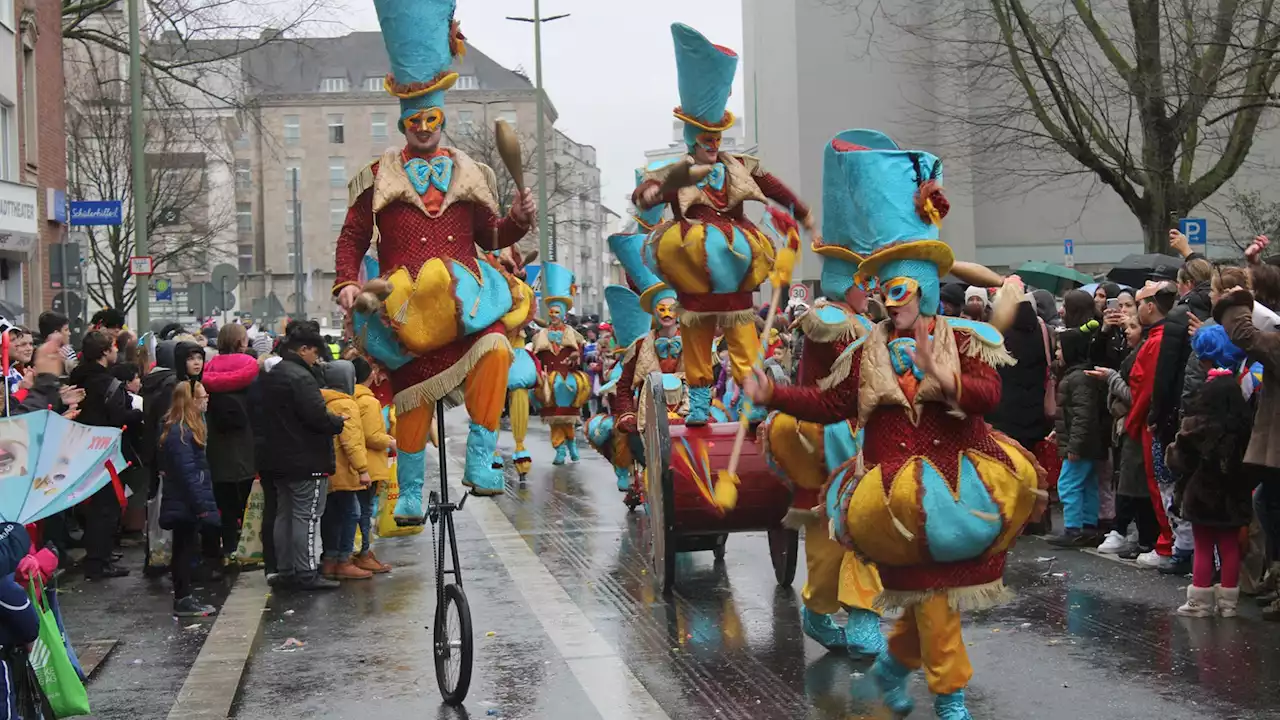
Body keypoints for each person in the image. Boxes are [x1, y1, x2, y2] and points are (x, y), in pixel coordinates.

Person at [744, 131, 1039, 720]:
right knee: (927, 601)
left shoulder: (962, 340)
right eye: (879, 289)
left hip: (958, 495)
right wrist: (773, 392)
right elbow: (830, 405)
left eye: (896, 288)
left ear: (923, 288)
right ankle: (924, 685)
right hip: (891, 502)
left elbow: (988, 395)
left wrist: (944, 378)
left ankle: (922, 683)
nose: (885, 298)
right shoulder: (866, 349)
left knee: (931, 605)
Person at [335, 0, 534, 511]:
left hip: (465, 295)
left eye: (432, 118)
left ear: (442, 118)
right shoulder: (377, 176)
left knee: (494, 349)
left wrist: (518, 220)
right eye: (415, 120)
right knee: (411, 388)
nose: (424, 127)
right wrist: (348, 283)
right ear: (403, 122)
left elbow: (490, 235)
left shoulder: (472, 174)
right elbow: (353, 235)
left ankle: (482, 458)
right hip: (407, 304)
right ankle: (409, 493)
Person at [633, 23, 816, 425]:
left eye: (718, 140)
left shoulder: (740, 167)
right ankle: (698, 402)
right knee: (695, 336)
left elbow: (773, 187)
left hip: (733, 264)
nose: (714, 147)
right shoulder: (676, 171)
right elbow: (651, 190)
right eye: (706, 141)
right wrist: (647, 195)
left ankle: (750, 400)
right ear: (692, 140)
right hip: (694, 268)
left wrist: (801, 212)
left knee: (742, 337)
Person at [759, 134, 886, 657]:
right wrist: (799, 306)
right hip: (826, 434)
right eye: (866, 280)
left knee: (866, 523)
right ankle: (829, 609)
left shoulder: (863, 318)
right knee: (840, 527)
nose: (872, 288)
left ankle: (855, 612)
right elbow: (816, 324)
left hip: (854, 433)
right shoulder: (835, 316)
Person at [1166, 327, 1255, 618]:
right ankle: (1228, 603)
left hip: (1201, 495)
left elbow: (1179, 461)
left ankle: (1199, 601)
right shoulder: (1244, 428)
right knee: (1229, 547)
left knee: (1204, 547)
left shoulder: (1196, 426)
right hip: (1234, 495)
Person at [260, 325, 345, 590]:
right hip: (306, 458)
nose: (316, 358)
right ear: (303, 349)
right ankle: (306, 571)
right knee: (306, 517)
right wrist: (337, 422)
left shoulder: (273, 374)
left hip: (277, 457)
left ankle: (285, 570)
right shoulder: (302, 377)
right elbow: (316, 417)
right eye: (314, 352)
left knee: (284, 515)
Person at [70, 331, 143, 580]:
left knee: (95, 506)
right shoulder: (107, 383)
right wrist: (137, 413)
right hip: (105, 450)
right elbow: (118, 417)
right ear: (104, 352)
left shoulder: (77, 378)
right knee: (107, 506)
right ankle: (98, 561)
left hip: (82, 446)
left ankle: (99, 555)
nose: (115, 352)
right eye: (112, 348)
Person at [1128, 282, 1182, 570]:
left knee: (1161, 483)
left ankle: (1168, 543)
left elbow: (1146, 388)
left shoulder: (1158, 341)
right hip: (1158, 417)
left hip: (1153, 420)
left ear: (1150, 305)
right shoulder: (1162, 338)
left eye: (1138, 303)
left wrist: (1139, 420)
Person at [158, 382, 220, 617]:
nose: (207, 400)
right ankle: (183, 598)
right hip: (185, 502)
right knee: (184, 550)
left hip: (185, 500)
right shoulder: (181, 432)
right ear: (192, 400)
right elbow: (189, 473)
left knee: (185, 547)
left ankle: (185, 596)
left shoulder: (184, 429)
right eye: (203, 396)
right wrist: (202, 507)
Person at [202, 324, 259, 566]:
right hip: (247, 441)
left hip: (218, 442)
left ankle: (228, 549)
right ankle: (251, 550)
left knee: (223, 500)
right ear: (241, 341)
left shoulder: (209, 368)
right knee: (250, 501)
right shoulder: (251, 368)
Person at [1047, 329, 1109, 547]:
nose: (1057, 352)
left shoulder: (1077, 379)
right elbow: (1076, 414)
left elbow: (1083, 416)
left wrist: (1074, 445)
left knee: (1068, 483)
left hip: (1080, 444)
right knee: (1088, 483)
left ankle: (1073, 528)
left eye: (1060, 348)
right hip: (1090, 443)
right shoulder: (1082, 376)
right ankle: (1088, 526)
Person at [318, 360, 373, 581]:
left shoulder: (323, 400)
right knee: (352, 513)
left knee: (331, 515)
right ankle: (344, 559)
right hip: (345, 470)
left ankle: (330, 560)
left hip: (328, 469)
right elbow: (352, 441)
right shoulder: (346, 404)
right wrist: (362, 469)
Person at [532, 263, 590, 467]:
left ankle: (571, 443)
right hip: (549, 382)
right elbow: (536, 358)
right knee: (555, 419)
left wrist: (575, 355)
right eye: (552, 311)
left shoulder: (573, 334)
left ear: (564, 313)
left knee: (567, 418)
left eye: (557, 311)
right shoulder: (541, 335)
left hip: (569, 381)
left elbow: (580, 352)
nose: (554, 315)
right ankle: (560, 449)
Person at [351, 357, 393, 573]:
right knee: (365, 510)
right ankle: (364, 552)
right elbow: (373, 436)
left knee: (353, 510)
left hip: (351, 465)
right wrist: (392, 441)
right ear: (370, 375)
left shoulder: (348, 397)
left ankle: (357, 551)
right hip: (368, 464)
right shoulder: (369, 401)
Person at [36, 311, 72, 376]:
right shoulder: (47, 357)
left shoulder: (67, 350)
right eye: (66, 330)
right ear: (55, 334)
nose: (69, 333)